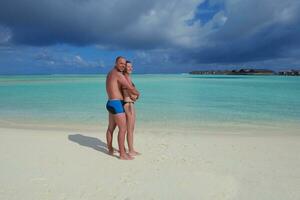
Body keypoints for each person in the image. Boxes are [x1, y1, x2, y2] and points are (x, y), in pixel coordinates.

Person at [105, 56, 139, 160]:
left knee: (111, 128)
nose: (123, 66)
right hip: (116, 104)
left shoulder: (110, 73)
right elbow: (130, 88)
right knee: (123, 129)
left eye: (124, 64)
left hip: (110, 102)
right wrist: (138, 94)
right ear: (116, 63)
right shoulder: (118, 75)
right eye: (121, 64)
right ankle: (122, 154)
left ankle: (110, 149)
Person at [122, 61, 140, 156]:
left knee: (130, 129)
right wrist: (136, 94)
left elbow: (135, 94)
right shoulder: (124, 79)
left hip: (130, 103)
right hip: (128, 104)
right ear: (124, 68)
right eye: (128, 66)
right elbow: (131, 93)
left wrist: (136, 95)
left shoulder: (128, 79)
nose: (130, 68)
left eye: (131, 66)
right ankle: (131, 150)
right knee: (129, 129)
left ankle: (129, 148)